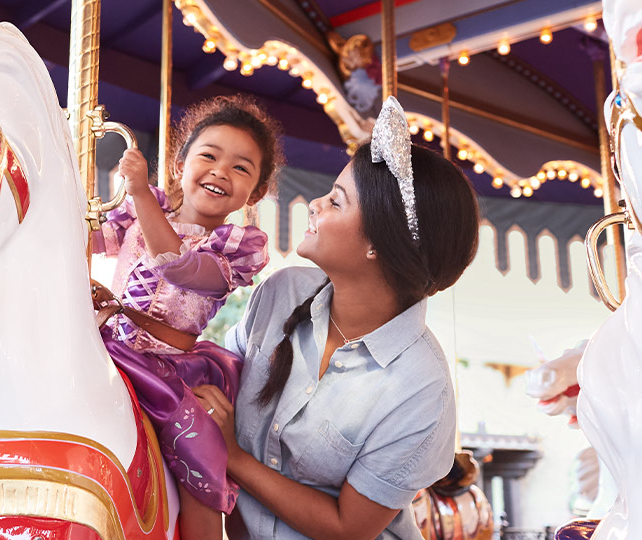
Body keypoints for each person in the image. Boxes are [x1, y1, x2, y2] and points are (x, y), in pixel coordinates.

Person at [194, 96, 480, 539]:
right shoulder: (282, 292)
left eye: (337, 201)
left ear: (378, 245)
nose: (315, 204)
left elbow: (348, 528)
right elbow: (214, 375)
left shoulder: (420, 389)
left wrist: (234, 456)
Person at [94, 95, 283, 539]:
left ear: (254, 192)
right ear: (180, 165)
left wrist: (141, 193)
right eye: (209, 156)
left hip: (166, 366)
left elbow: (178, 266)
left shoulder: (237, 247)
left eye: (241, 167)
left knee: (201, 454)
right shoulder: (139, 209)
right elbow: (85, 240)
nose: (221, 171)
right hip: (106, 346)